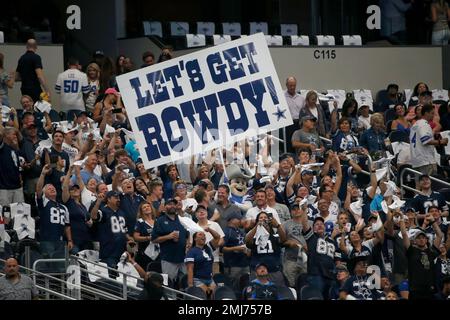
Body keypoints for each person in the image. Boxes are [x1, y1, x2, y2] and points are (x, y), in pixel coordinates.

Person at [400, 212, 444, 300]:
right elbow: (404, 234)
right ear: (414, 240)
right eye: (419, 238)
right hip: (415, 291)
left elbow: (439, 235)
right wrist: (401, 219)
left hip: (430, 290)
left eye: (423, 237)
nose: (421, 239)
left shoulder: (431, 251)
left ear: (426, 239)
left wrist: (433, 221)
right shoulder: (411, 251)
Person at [300, 203, 338, 300]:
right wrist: (304, 211)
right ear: (313, 229)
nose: (319, 225)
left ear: (325, 227)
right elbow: (304, 224)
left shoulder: (332, 241)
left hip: (330, 276)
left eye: (321, 224)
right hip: (316, 275)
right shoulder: (311, 238)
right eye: (316, 224)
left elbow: (337, 259)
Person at [36, 164, 74, 258]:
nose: (52, 188)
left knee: (61, 266)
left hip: (60, 241)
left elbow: (67, 226)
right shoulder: (44, 202)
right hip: (47, 240)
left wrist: (69, 240)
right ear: (45, 193)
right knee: (50, 264)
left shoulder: (64, 207)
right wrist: (43, 174)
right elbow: (38, 189)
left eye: (53, 188)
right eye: (49, 188)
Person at [152, 198, 189, 285]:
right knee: (169, 285)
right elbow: (154, 239)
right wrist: (168, 237)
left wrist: (188, 243)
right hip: (168, 259)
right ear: (164, 207)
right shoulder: (160, 220)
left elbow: (188, 234)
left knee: (185, 284)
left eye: (174, 204)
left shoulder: (181, 219)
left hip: (183, 258)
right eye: (169, 204)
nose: (172, 206)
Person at [90, 190, 131, 268]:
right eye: (115, 197)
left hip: (122, 251)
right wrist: (98, 202)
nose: (118, 199)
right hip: (109, 252)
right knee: (112, 276)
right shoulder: (104, 211)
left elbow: (124, 231)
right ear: (108, 199)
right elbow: (93, 216)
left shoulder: (122, 213)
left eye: (119, 198)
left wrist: (130, 239)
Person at [245, 211, 286, 287]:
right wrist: (256, 226)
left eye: (265, 217)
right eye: (260, 218)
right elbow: (247, 242)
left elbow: (283, 239)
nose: (263, 219)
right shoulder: (254, 237)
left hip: (274, 271)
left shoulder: (275, 236)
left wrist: (277, 225)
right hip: (257, 273)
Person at [410, 103, 448, 175]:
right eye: (432, 113)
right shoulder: (424, 124)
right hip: (426, 161)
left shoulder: (415, 124)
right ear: (426, 113)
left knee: (419, 185)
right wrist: (441, 142)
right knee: (430, 184)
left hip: (417, 161)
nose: (433, 115)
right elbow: (425, 140)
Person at [62, 165, 93, 253]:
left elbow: (88, 221)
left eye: (77, 188)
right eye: (73, 189)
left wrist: (89, 222)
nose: (75, 190)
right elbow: (65, 187)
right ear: (69, 192)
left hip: (85, 238)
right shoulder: (68, 202)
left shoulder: (83, 206)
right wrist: (69, 171)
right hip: (74, 239)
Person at [185, 230, 221, 296]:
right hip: (198, 279)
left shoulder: (208, 248)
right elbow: (190, 269)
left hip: (210, 279)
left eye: (204, 235)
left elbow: (217, 237)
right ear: (195, 238)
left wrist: (209, 229)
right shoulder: (191, 252)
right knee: (205, 296)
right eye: (200, 235)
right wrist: (190, 286)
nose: (203, 236)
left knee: (214, 296)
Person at [221, 212, 249, 293]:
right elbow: (222, 249)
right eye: (238, 218)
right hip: (232, 265)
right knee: (233, 288)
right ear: (232, 220)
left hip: (244, 263)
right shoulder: (226, 231)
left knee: (246, 286)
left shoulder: (240, 231)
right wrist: (236, 248)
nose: (240, 220)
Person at [282, 202, 308, 287]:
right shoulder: (285, 224)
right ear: (290, 212)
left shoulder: (309, 223)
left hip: (307, 259)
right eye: (294, 209)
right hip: (290, 259)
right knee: (290, 285)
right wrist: (290, 243)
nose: (296, 211)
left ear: (302, 210)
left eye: (298, 208)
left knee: (305, 284)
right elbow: (281, 241)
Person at [0, 126, 24, 206]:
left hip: (17, 187)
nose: (15, 137)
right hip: (4, 188)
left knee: (19, 215)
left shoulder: (14, 149)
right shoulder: (2, 147)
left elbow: (16, 167)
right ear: (6, 135)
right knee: (6, 215)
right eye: (13, 134)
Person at [133, 202, 158, 269]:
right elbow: (135, 237)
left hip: (157, 252)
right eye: (144, 207)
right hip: (144, 253)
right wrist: (148, 238)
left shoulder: (157, 221)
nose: (147, 208)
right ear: (141, 211)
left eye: (148, 206)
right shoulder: (140, 222)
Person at [284, 76, 304, 153]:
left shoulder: (301, 98)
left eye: (294, 85)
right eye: (290, 85)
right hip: (288, 124)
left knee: (299, 144)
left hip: (299, 123)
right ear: (286, 85)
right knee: (289, 145)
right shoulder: (282, 97)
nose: (292, 87)